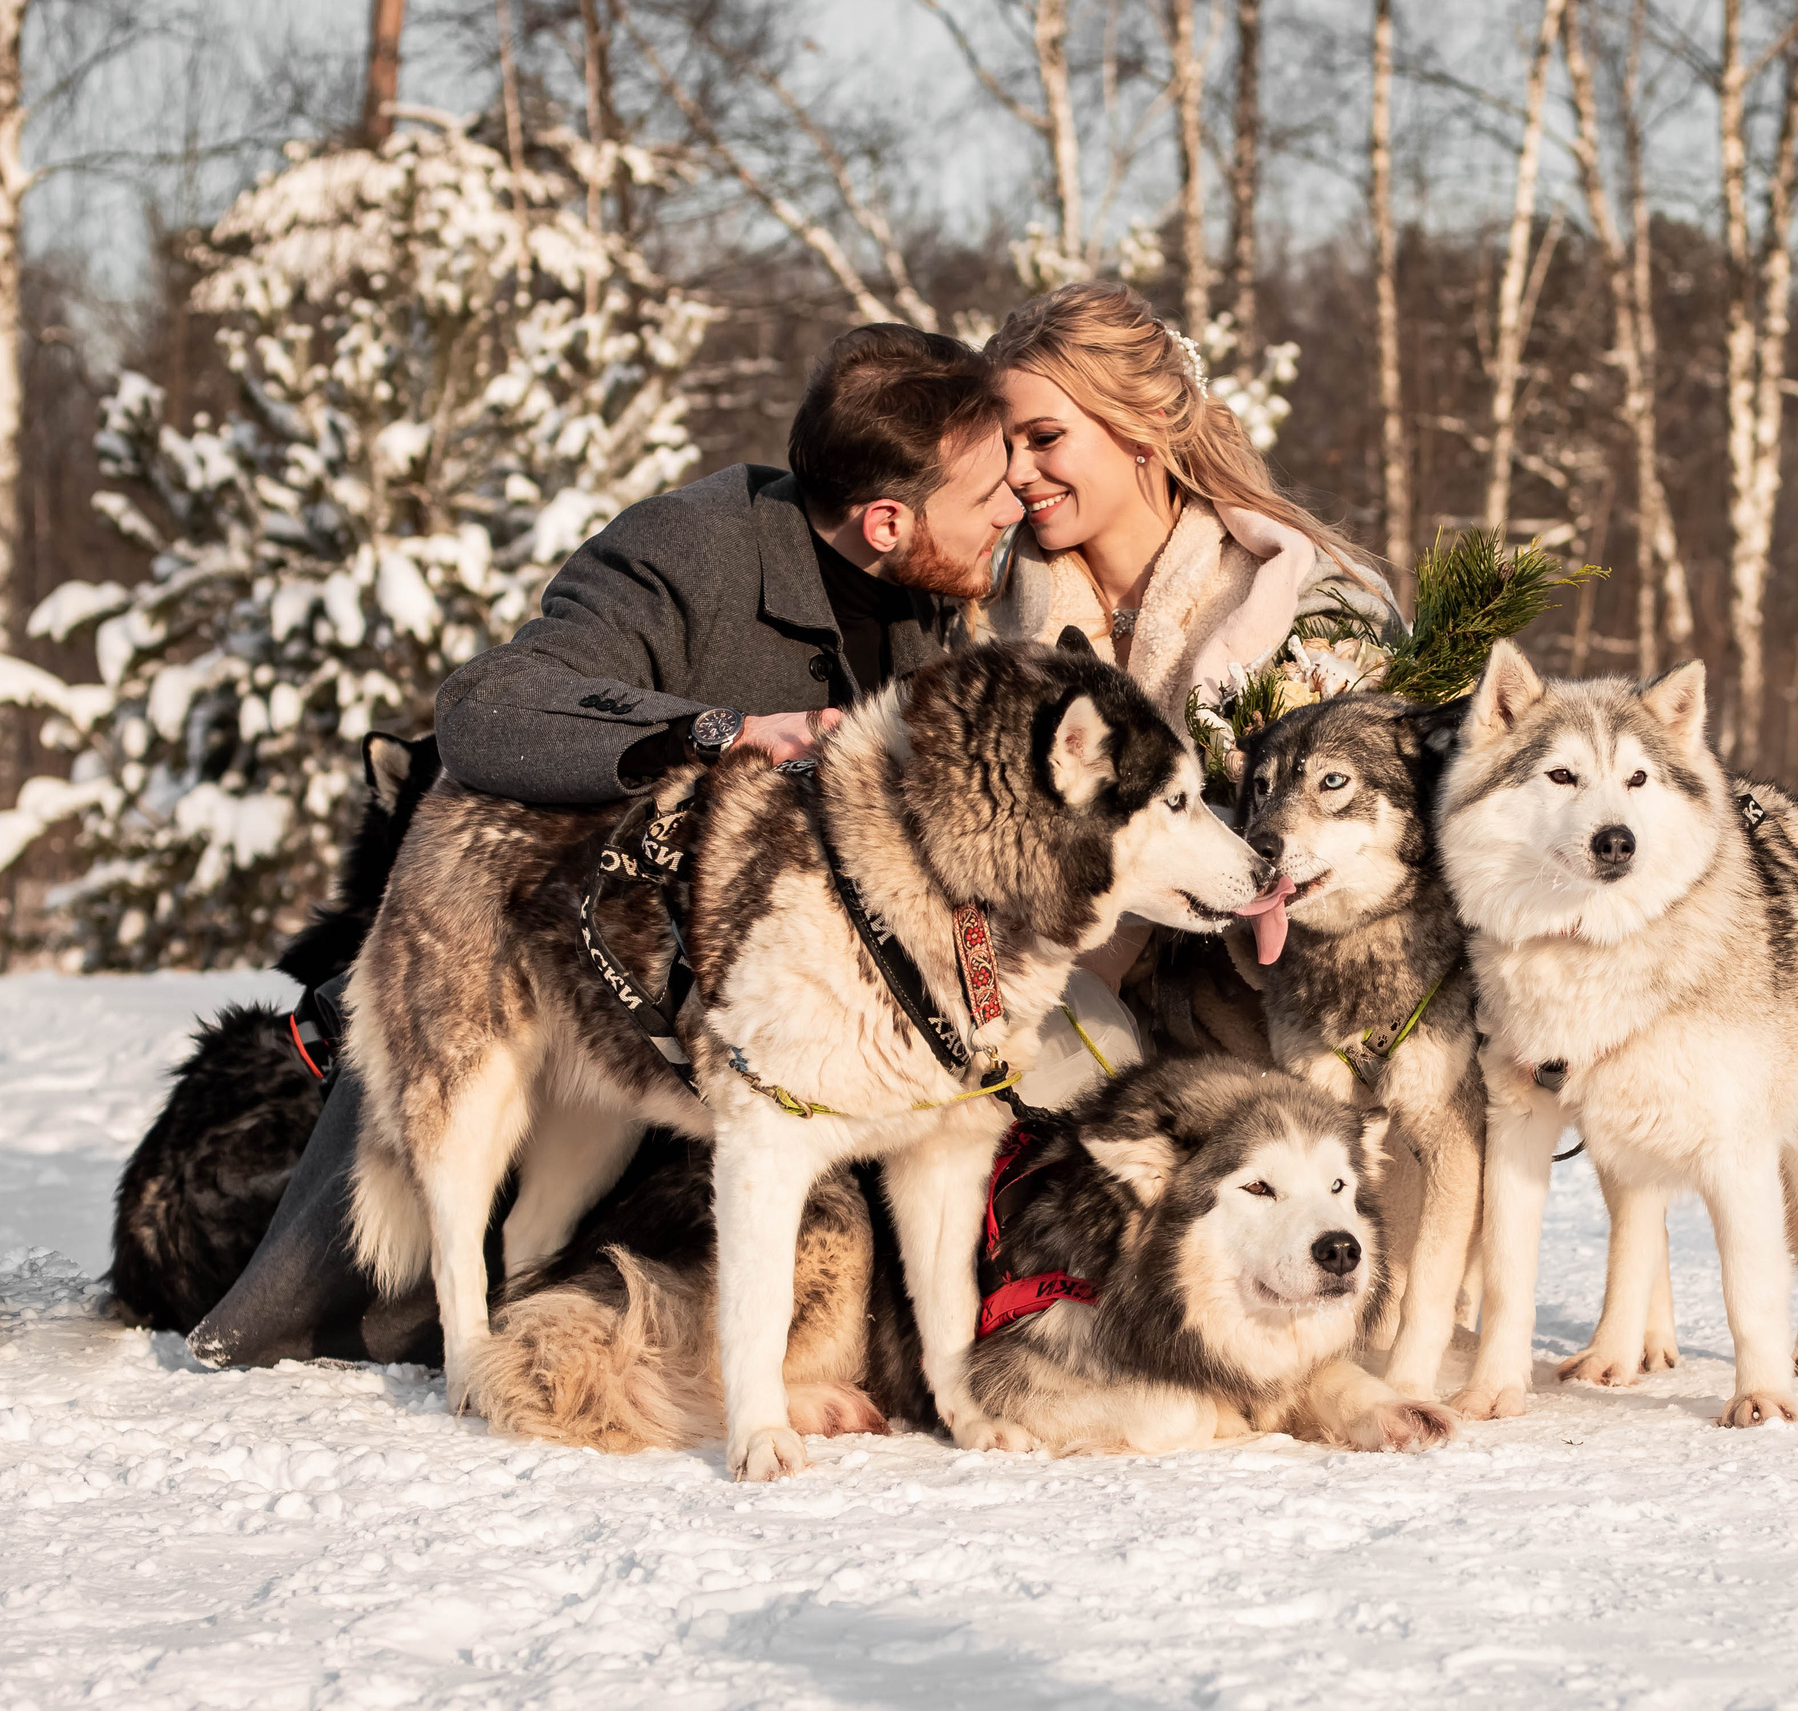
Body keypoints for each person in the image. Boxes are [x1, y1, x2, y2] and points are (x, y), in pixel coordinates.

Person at [186, 324, 1022, 1370]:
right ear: (889, 518)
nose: (1015, 505)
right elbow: (489, 707)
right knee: (409, 1258)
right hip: (555, 972)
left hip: (762, 1023)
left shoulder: (934, 585)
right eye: (990, 490)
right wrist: (720, 730)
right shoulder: (686, 551)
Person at [981, 280, 1398, 729]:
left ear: (1144, 425)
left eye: (1045, 438)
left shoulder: (1307, 602)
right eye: (1005, 448)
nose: (1015, 473)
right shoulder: (980, 625)